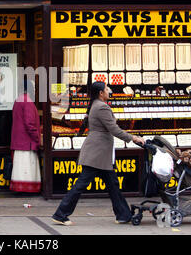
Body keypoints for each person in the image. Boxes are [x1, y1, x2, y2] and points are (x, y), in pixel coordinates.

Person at [52, 81, 144, 225]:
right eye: (107, 89)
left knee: (112, 184)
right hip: (97, 154)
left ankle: (123, 215)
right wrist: (133, 138)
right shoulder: (102, 107)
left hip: (100, 154)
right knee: (81, 185)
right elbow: (114, 130)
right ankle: (61, 214)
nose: (109, 91)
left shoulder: (96, 105)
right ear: (101, 93)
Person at [9, 79, 42, 193]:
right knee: (27, 168)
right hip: (26, 142)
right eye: (34, 87)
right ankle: (27, 190)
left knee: (20, 168)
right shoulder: (27, 102)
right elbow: (30, 123)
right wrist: (37, 138)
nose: (35, 90)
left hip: (18, 141)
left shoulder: (18, 100)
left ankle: (20, 188)